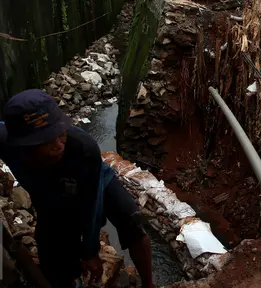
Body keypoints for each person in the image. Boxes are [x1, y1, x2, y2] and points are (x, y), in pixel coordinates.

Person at [0, 89, 154, 288]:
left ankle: (149, 284)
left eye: (60, 134)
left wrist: (91, 251)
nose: (58, 145)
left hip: (94, 180)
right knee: (52, 258)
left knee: (131, 221)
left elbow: (91, 207)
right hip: (49, 197)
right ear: (22, 145)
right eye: (46, 141)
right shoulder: (7, 141)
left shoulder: (83, 148)